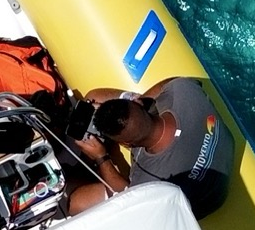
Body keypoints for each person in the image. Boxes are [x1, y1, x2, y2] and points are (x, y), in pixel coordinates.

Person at [66, 78, 234, 219]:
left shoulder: (149, 180)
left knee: (75, 202)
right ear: (138, 104)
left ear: (128, 145)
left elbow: (129, 198)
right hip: (222, 165)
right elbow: (172, 83)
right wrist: (140, 103)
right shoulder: (183, 91)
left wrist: (101, 157)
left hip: (204, 205)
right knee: (94, 98)